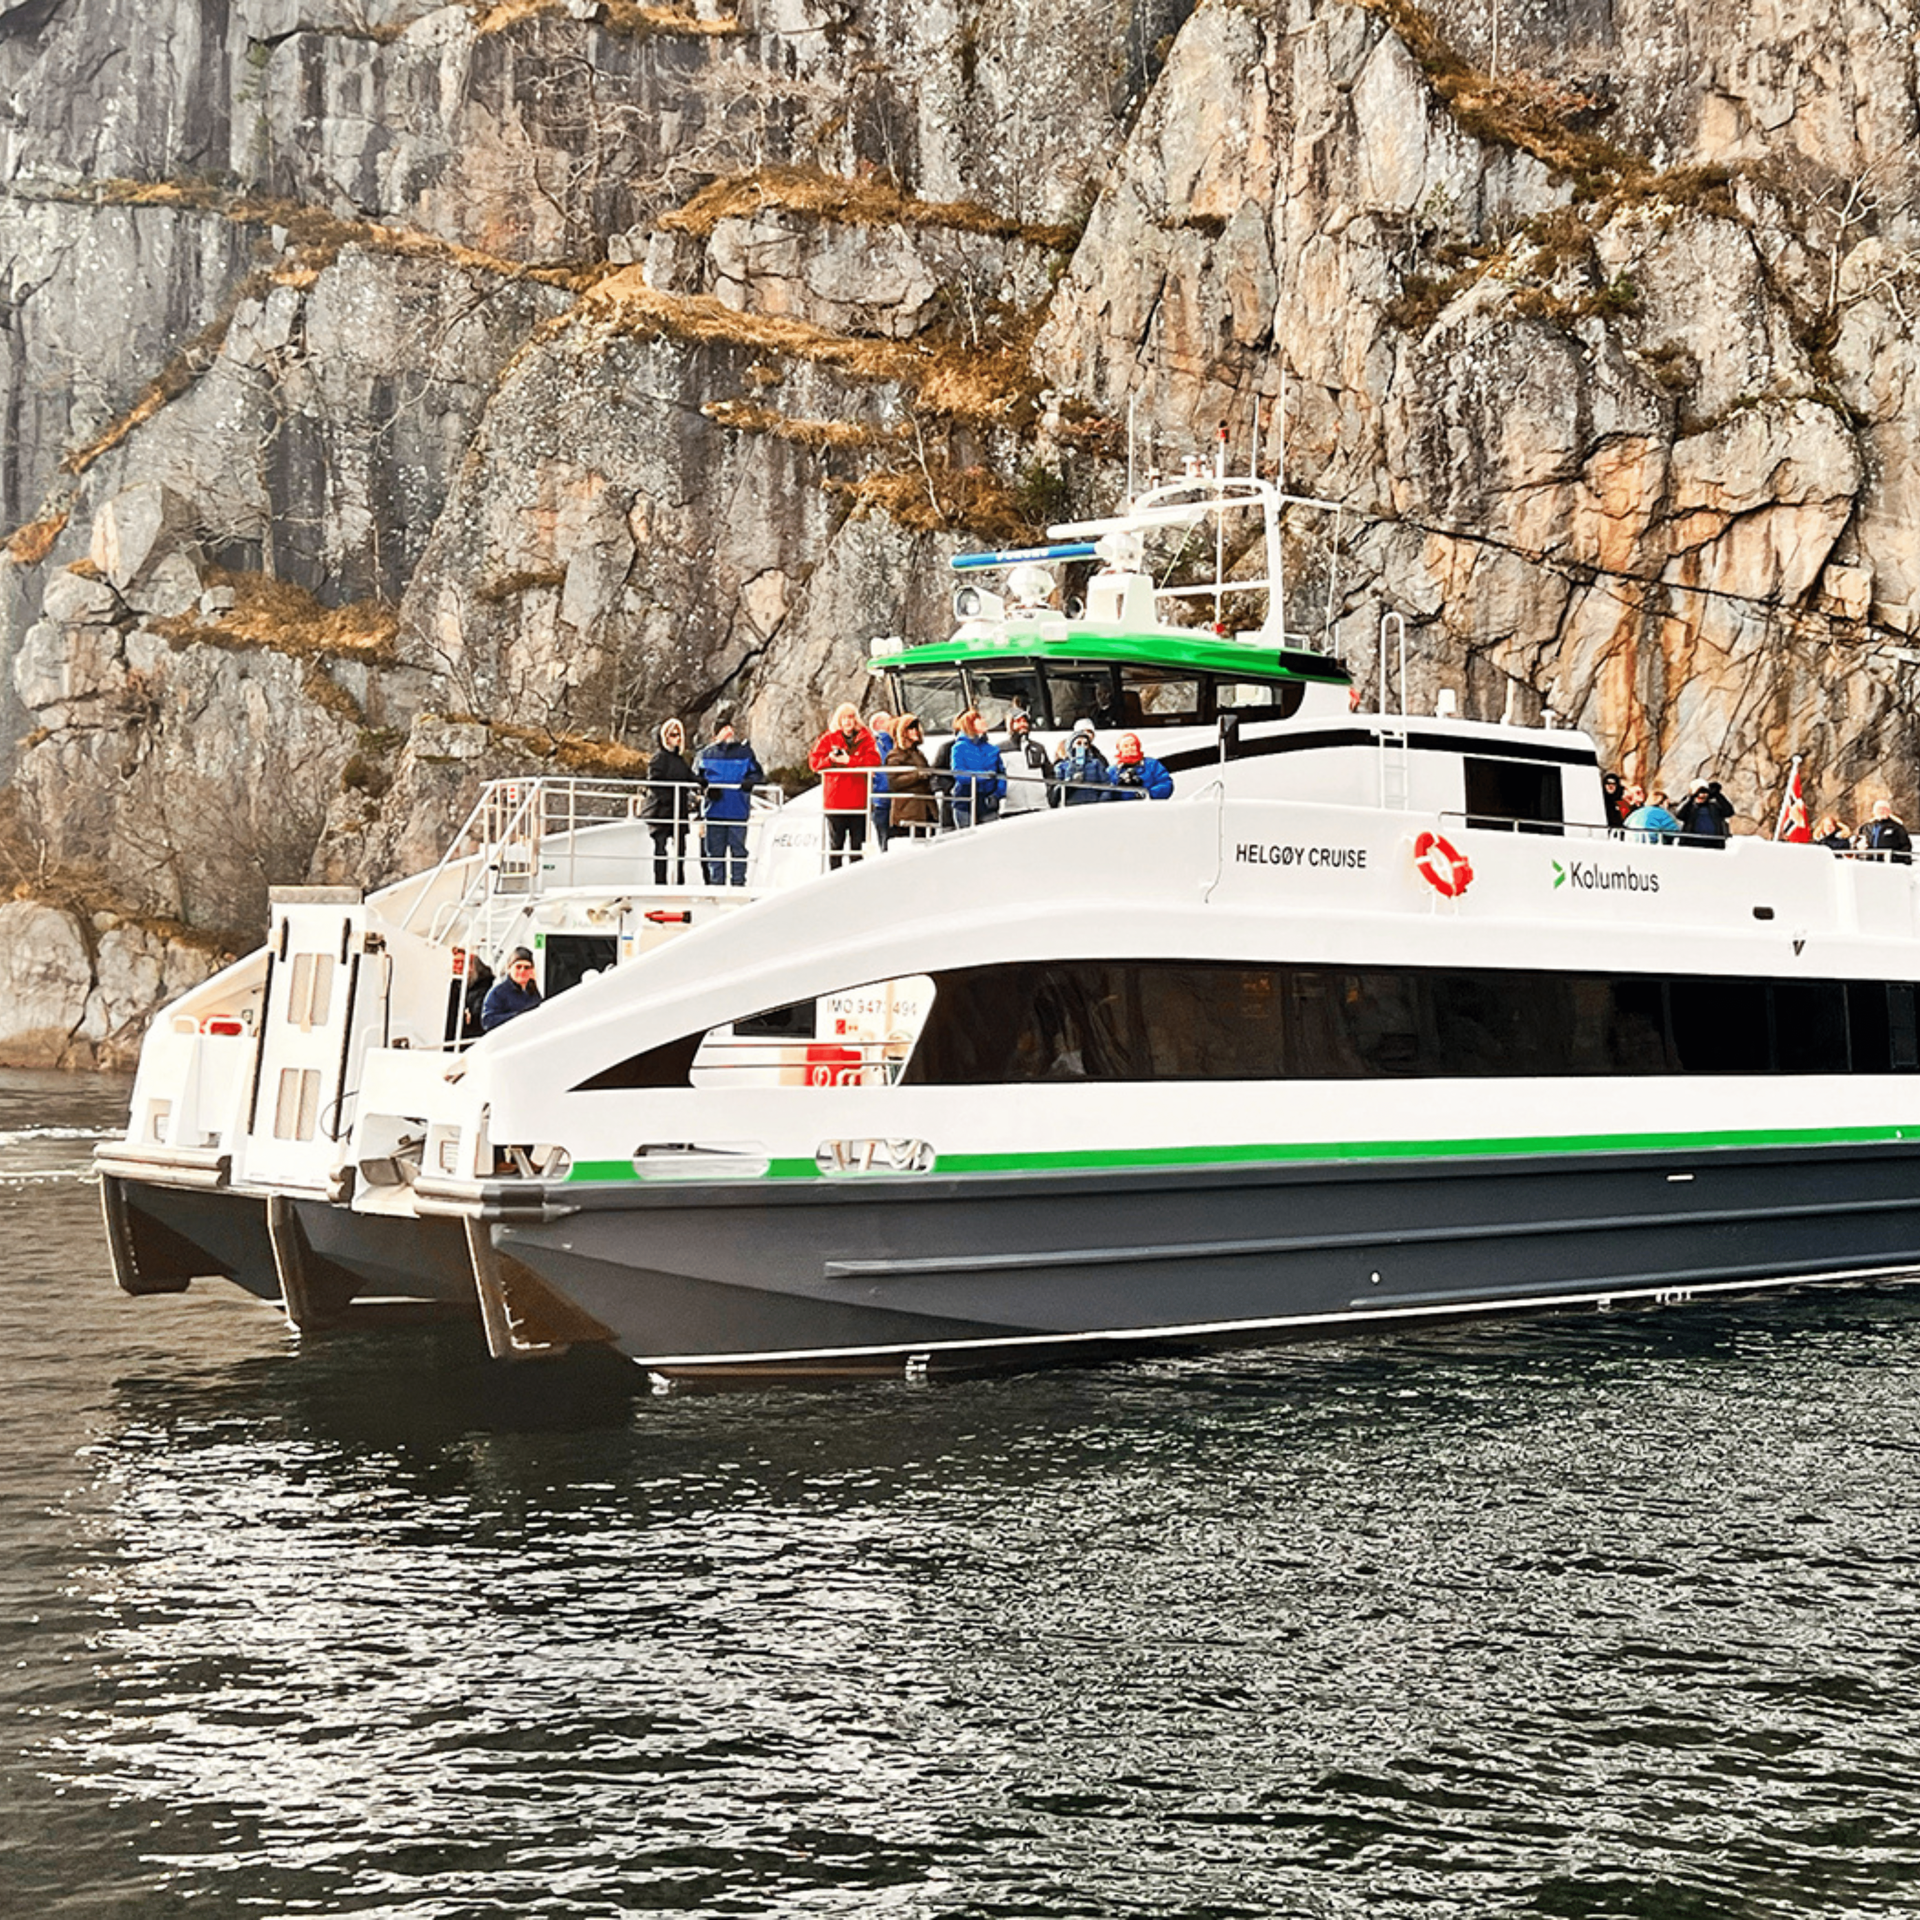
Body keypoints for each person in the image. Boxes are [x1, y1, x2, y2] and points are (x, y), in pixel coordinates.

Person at [693, 714, 764, 886]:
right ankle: (716, 886)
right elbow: (695, 779)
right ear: (715, 735)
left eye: (729, 727)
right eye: (723, 728)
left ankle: (739, 885)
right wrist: (706, 791)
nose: (728, 731)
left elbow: (758, 773)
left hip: (737, 810)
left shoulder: (745, 752)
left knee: (738, 851)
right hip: (714, 810)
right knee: (715, 852)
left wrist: (750, 782)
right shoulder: (705, 755)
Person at [808, 701, 880, 868]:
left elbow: (873, 761)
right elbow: (814, 763)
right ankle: (834, 878)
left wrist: (849, 761)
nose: (848, 721)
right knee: (836, 845)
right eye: (844, 718)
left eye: (851, 717)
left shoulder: (866, 738)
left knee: (858, 846)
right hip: (836, 802)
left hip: (858, 801)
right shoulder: (828, 738)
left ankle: (856, 881)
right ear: (838, 720)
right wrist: (831, 760)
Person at [643, 719, 696, 884]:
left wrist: (702, 781)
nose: (677, 738)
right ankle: (660, 882)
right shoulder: (658, 758)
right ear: (665, 737)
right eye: (673, 735)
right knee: (660, 848)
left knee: (681, 848)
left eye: (679, 734)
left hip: (678, 809)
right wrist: (667, 797)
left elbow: (688, 776)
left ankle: (680, 881)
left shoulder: (679, 760)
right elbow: (654, 782)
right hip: (661, 810)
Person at [947, 708, 1006, 829]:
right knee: (965, 836)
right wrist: (984, 776)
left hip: (988, 799)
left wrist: (998, 794)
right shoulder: (959, 748)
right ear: (969, 724)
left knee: (992, 835)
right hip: (964, 798)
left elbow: (1001, 774)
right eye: (978, 719)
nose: (983, 720)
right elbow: (958, 773)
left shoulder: (992, 749)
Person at [884, 713, 938, 840]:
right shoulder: (895, 755)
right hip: (907, 811)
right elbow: (894, 782)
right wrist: (917, 775)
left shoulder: (919, 754)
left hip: (926, 808)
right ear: (903, 732)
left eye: (916, 728)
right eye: (910, 729)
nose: (915, 732)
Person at [1000, 708, 1053, 814]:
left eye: (1025, 721)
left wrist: (1047, 792)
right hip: (1011, 807)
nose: (1023, 724)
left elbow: (1049, 774)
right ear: (1010, 725)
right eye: (1018, 721)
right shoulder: (1000, 749)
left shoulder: (1038, 748)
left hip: (1039, 805)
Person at [480, 948, 541, 1032]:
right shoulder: (497, 993)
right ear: (509, 968)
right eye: (518, 967)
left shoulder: (535, 992)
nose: (522, 971)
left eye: (527, 967)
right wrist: (518, 1017)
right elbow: (488, 1021)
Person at [1106, 730, 1174, 800]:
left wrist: (1146, 793)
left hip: (1149, 807)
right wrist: (1118, 789)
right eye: (1126, 746)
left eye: (1132, 745)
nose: (1130, 748)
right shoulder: (1112, 771)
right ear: (1120, 749)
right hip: (1122, 808)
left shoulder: (1152, 764)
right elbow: (1104, 790)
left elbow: (1166, 784)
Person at [1054, 720, 1109, 805]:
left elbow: (1106, 785)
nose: (1082, 746)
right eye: (1079, 743)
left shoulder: (1096, 763)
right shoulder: (1062, 766)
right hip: (1072, 805)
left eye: (1085, 744)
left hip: (1093, 805)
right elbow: (1056, 790)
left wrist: (1101, 801)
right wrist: (1070, 781)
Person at [446, 944, 493, 1044]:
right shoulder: (452, 986)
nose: (458, 967)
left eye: (462, 962)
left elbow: (477, 1020)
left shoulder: (486, 988)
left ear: (473, 966)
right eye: (455, 962)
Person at [1677, 779, 1733, 849]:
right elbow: (1680, 815)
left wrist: (1717, 794)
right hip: (1691, 843)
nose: (1701, 795)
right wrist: (1692, 798)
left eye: (1704, 792)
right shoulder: (1689, 804)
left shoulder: (1714, 805)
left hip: (1714, 844)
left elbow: (1729, 812)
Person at [1857, 799, 1913, 865]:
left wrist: (1894, 858)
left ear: (1889, 811)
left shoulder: (1897, 827)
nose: (1882, 811)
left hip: (1889, 864)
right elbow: (1856, 844)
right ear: (1874, 811)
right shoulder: (1867, 827)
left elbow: (1906, 846)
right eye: (1879, 809)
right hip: (1870, 863)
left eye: (1884, 809)